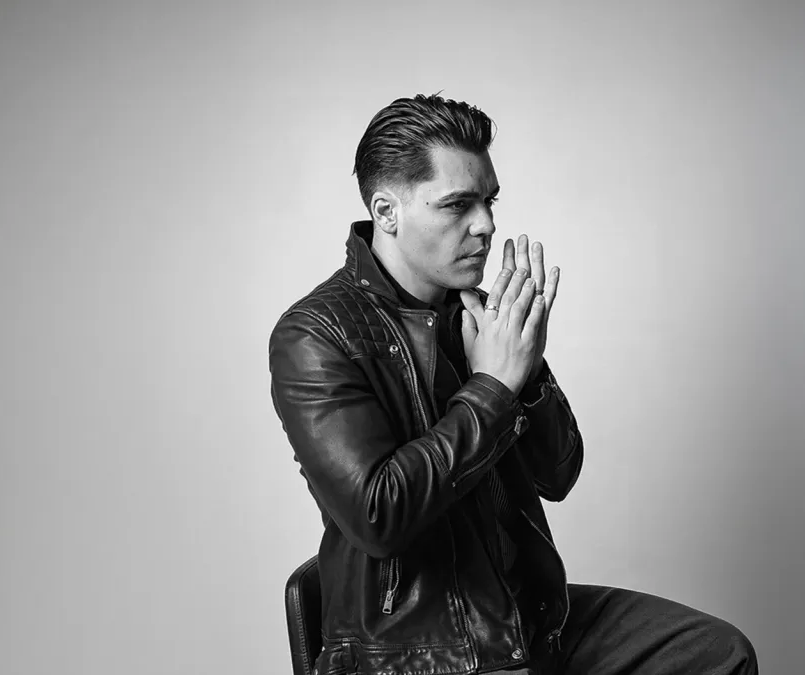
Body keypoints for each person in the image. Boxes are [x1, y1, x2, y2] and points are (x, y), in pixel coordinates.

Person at [268, 93, 758, 675]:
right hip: (418, 654)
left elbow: (558, 475)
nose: (486, 224)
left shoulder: (480, 313)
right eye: (457, 205)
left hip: (527, 621)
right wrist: (493, 387)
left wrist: (527, 370)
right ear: (387, 211)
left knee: (718, 654)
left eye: (489, 200)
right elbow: (379, 515)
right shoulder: (316, 335)